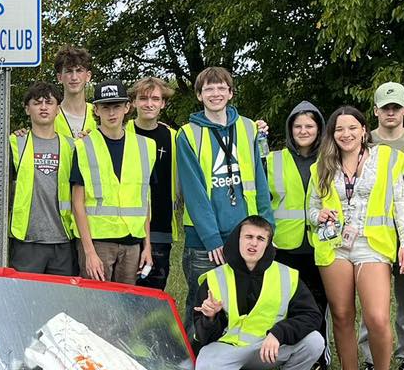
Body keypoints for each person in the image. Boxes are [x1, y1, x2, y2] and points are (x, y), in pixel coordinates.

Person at [308, 106, 404, 370]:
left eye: (352, 128)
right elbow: (311, 207)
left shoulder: (386, 159)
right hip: (335, 245)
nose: (346, 134)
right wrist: (319, 215)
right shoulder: (322, 166)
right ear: (332, 134)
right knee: (342, 315)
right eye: (340, 129)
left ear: (364, 130)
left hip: (373, 245)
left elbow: (399, 204)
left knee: (377, 317)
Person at [176, 66, 274, 318]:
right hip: (205, 239)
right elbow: (194, 191)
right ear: (199, 95)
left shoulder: (249, 128)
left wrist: (267, 226)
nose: (215, 93)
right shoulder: (188, 134)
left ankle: (235, 354)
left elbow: (259, 181)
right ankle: (195, 355)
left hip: (245, 231)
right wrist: (211, 238)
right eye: (209, 88)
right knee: (202, 303)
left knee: (244, 301)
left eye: (221, 88)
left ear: (230, 93)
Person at [193, 216, 325, 370]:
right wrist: (211, 317)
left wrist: (279, 333)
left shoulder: (286, 275)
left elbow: (311, 316)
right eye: (248, 237)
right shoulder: (215, 278)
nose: (253, 243)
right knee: (205, 367)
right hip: (230, 348)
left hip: (269, 348)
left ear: (268, 244)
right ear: (237, 239)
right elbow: (204, 338)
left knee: (315, 341)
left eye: (260, 239)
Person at [359, 80, 404, 370]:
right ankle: (371, 358)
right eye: (385, 108)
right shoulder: (364, 142)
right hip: (373, 235)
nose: (391, 113)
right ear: (376, 111)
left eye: (396, 107)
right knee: (373, 300)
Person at [70, 78, 154, 284]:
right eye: (105, 107)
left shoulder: (145, 147)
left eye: (117, 106)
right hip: (98, 244)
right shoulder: (84, 146)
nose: (112, 113)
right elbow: (77, 203)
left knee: (126, 308)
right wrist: (89, 252)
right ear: (96, 110)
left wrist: (147, 247)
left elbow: (144, 202)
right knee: (94, 308)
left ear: (127, 107)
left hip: (132, 244)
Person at [266, 101, 329, 356]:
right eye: (298, 126)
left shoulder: (330, 160)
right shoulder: (273, 159)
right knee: (285, 304)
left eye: (310, 126)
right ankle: (284, 354)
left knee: (319, 304)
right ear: (290, 129)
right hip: (284, 246)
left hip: (320, 246)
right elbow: (263, 201)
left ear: (319, 129)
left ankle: (319, 359)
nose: (303, 131)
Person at [8, 82, 76, 275]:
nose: (44, 107)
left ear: (58, 109)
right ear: (27, 109)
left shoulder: (72, 146)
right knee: (24, 301)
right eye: (37, 103)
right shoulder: (15, 142)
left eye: (49, 102)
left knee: (60, 303)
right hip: (26, 240)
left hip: (63, 238)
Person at [131, 76, 180, 291]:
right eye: (143, 98)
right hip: (129, 228)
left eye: (155, 98)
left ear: (163, 103)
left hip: (161, 226)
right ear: (133, 103)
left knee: (154, 292)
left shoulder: (174, 137)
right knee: (127, 292)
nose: (149, 103)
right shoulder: (122, 133)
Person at [54, 45, 96, 139]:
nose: (74, 77)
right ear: (59, 77)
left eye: (79, 71)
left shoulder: (99, 113)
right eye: (69, 71)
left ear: (88, 76)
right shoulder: (50, 114)